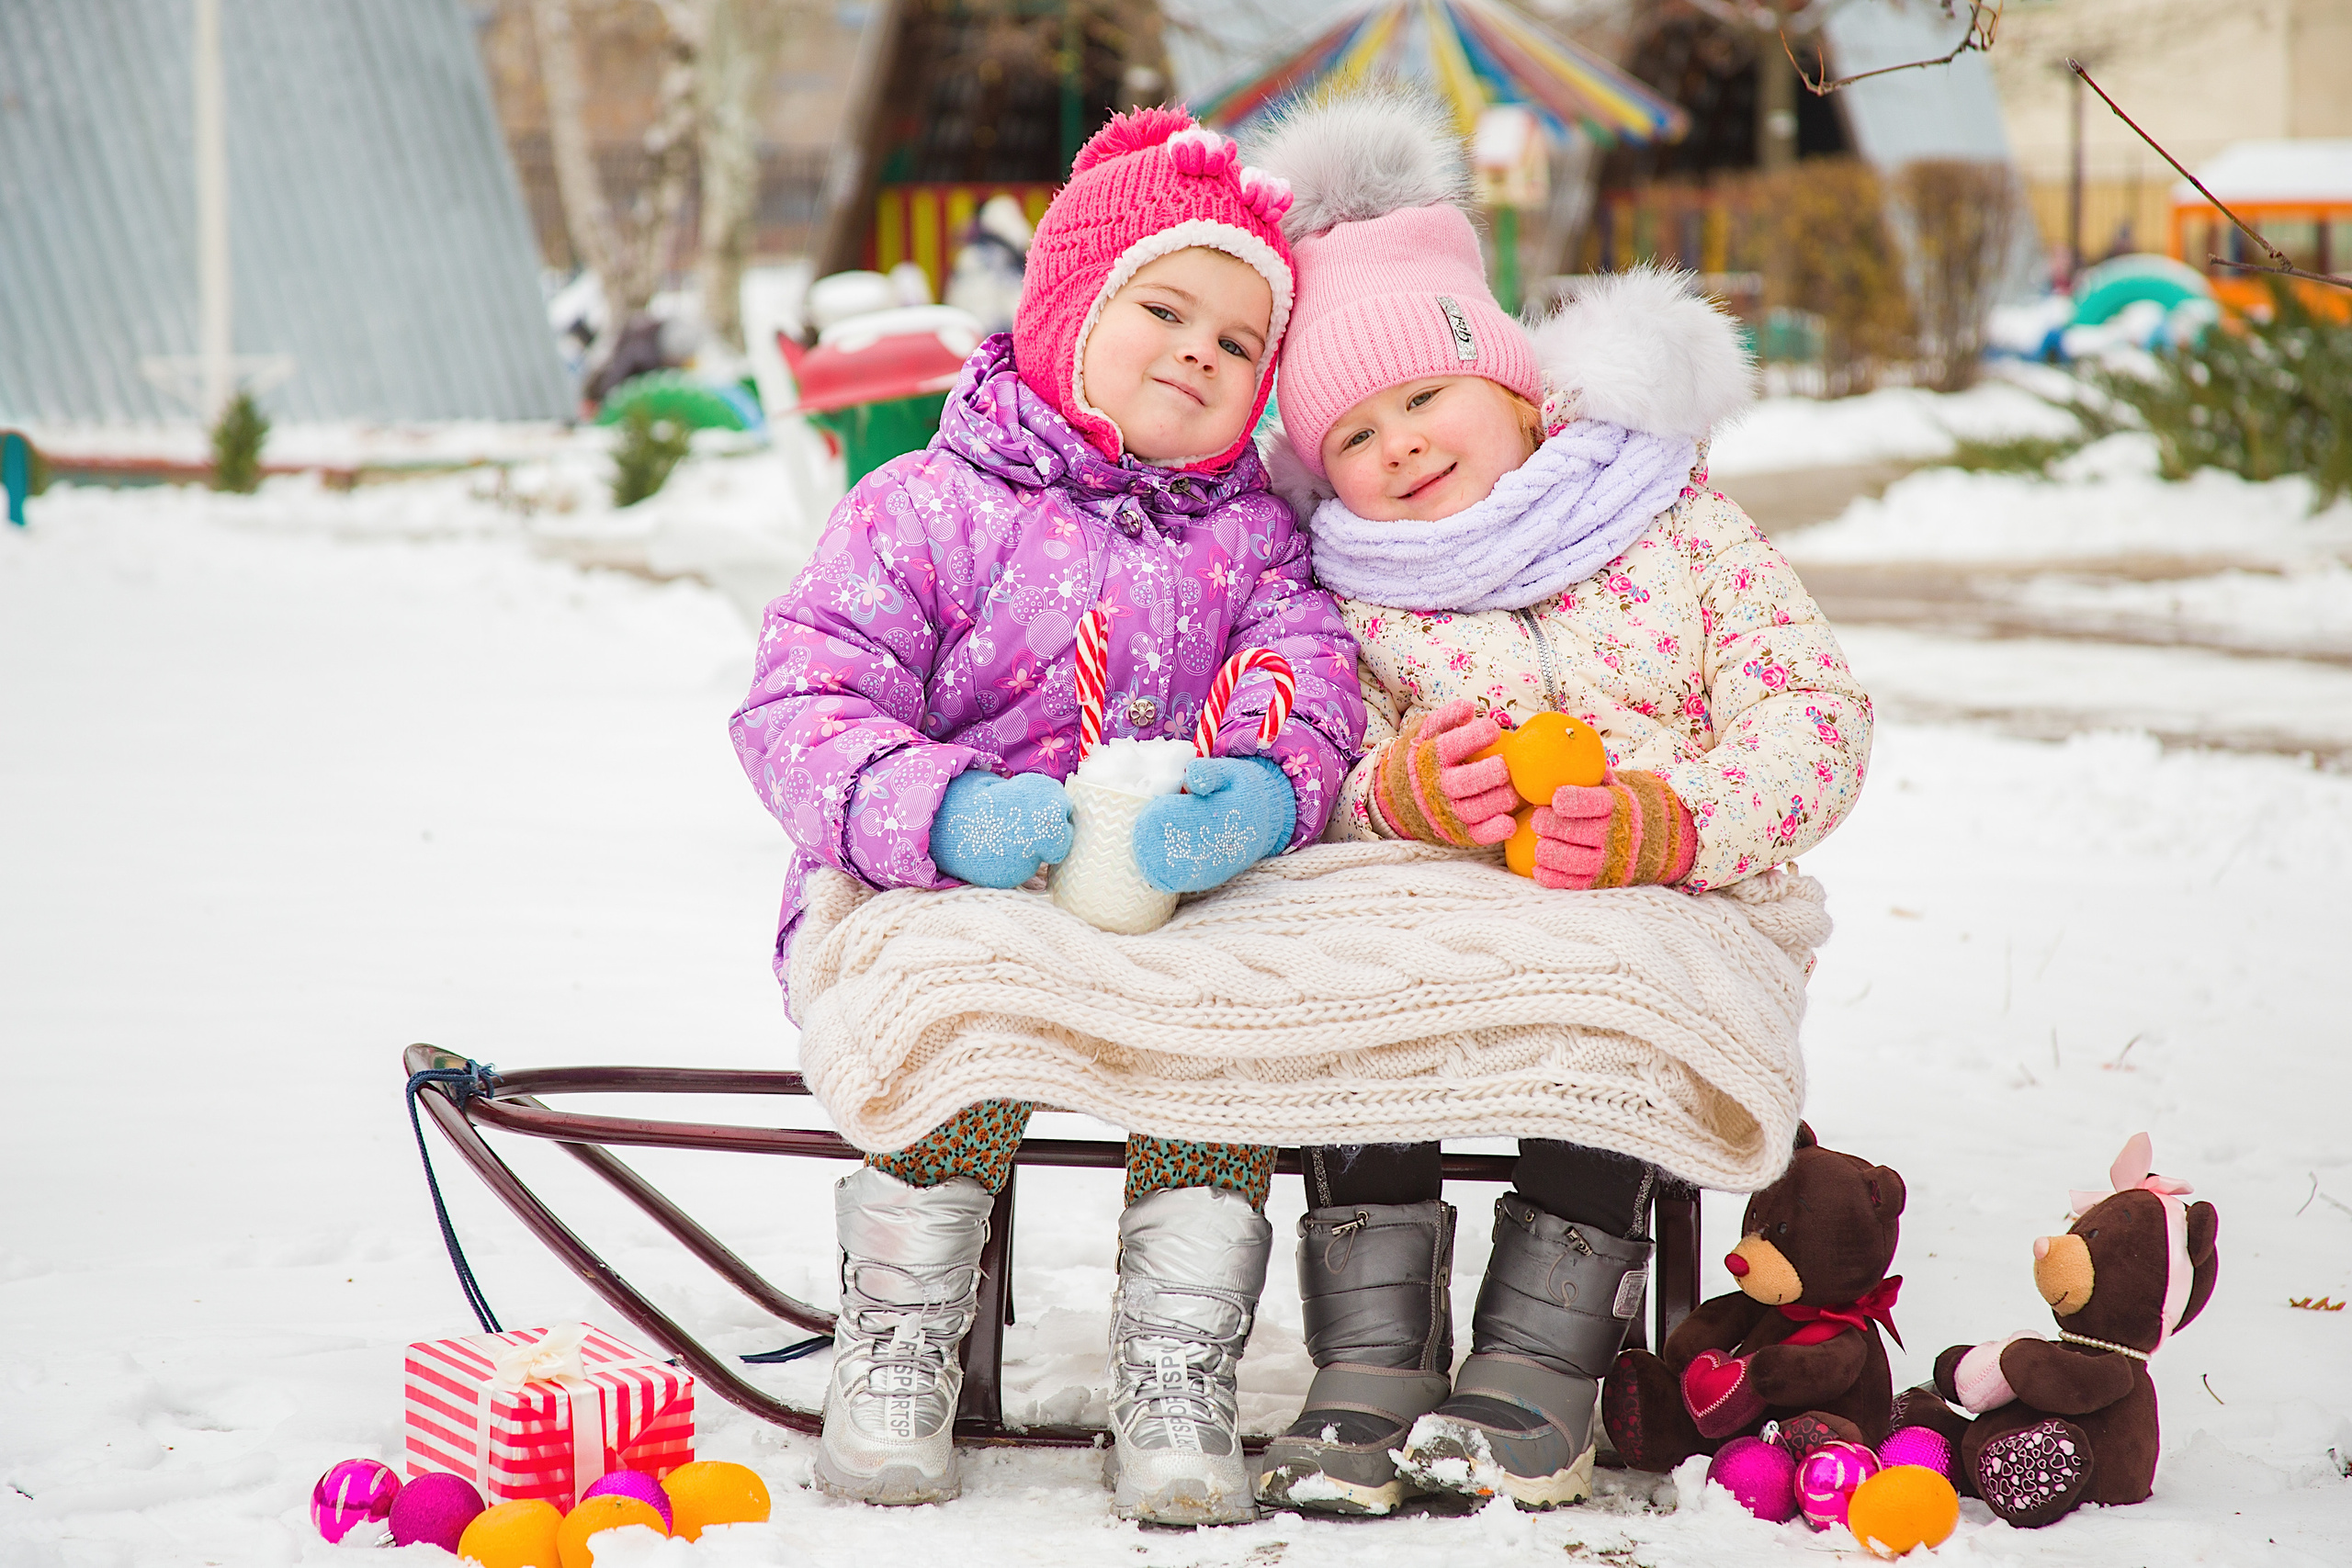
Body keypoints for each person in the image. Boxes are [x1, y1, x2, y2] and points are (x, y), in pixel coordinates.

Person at [728, 107, 1363, 1525]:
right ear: (1072, 312)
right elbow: (801, 704)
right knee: (951, 1018)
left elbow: (1307, 675)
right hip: (962, 883)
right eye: (1166, 309)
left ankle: (1178, 1366)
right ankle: (899, 1338)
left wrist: (1259, 789)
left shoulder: (1253, 536)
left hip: (1164, 893)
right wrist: (946, 813)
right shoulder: (924, 507)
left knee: (1222, 1041)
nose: (1201, 350)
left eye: (1239, 341)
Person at [1244, 89, 1874, 1514]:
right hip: (1441, 906)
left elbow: (1817, 718)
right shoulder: (1346, 594)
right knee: (1351, 971)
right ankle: (1373, 1350)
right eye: (1352, 434)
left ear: (1518, 387)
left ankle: (1540, 1355)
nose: (1397, 444)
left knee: (1613, 988)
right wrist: (1398, 794)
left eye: (1423, 398)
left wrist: (1673, 816)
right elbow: (1315, 763)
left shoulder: (1675, 526)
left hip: (1659, 891)